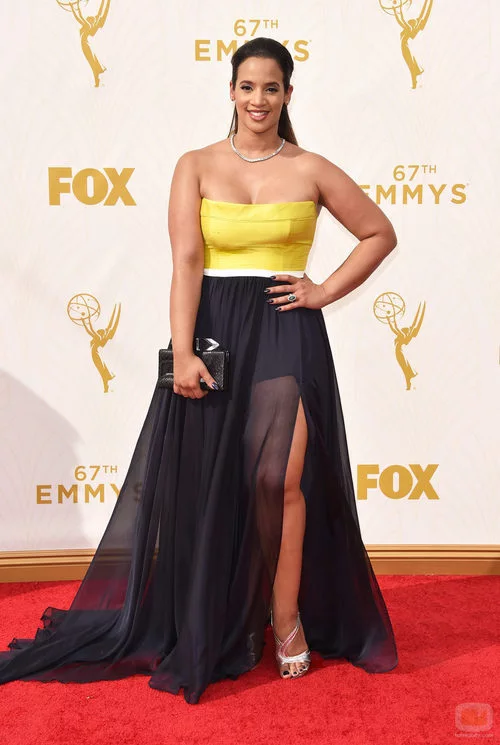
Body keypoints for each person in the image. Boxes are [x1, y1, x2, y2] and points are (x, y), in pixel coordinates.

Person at [0, 37, 398, 705]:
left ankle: (285, 616)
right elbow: (186, 261)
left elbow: (379, 232)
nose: (258, 99)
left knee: (279, 478)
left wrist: (322, 290)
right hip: (214, 331)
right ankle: (219, 611)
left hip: (284, 330)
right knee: (211, 483)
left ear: (288, 94)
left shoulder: (310, 168)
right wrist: (182, 352)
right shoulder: (196, 164)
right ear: (231, 90)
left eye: (271, 87)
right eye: (247, 86)